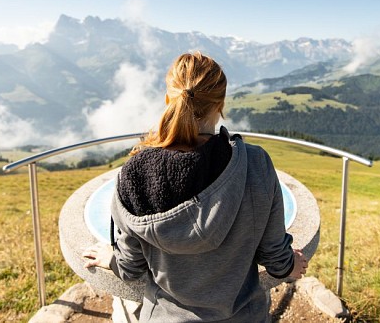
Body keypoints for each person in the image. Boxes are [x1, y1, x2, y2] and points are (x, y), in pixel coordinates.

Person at [83, 52, 307, 322]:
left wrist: (110, 258)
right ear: (221, 104)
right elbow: (274, 256)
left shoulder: (135, 175)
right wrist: (290, 265)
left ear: (168, 100)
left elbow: (131, 267)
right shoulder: (256, 164)